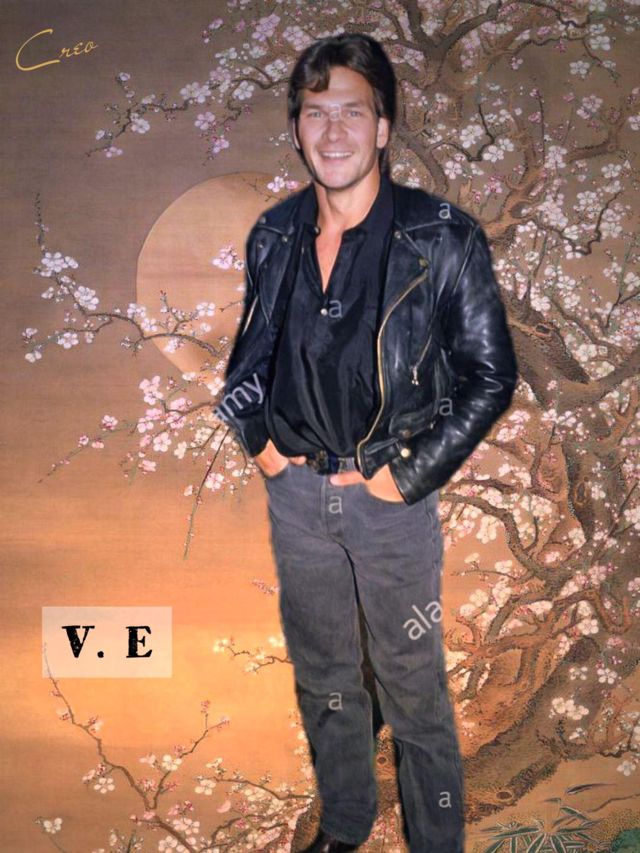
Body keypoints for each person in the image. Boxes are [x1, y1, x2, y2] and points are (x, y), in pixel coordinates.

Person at [221, 32, 518, 853]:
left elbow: (492, 375)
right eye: (316, 113)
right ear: (296, 129)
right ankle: (345, 825)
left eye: (352, 112)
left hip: (391, 503)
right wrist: (264, 449)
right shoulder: (274, 234)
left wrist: (406, 476)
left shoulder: (442, 236)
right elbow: (246, 363)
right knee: (325, 680)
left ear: (383, 127)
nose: (334, 131)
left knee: (413, 690)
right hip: (296, 499)